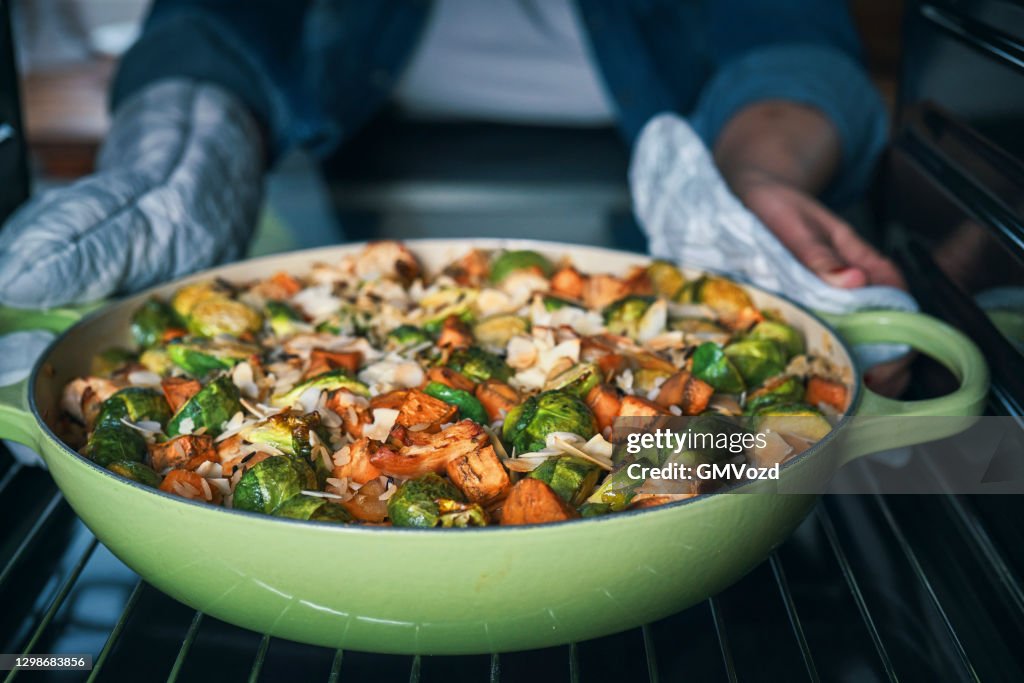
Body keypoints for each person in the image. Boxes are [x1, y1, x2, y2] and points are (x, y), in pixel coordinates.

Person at [0, 0, 904, 309]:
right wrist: (172, 167)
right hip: (350, 173)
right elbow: (214, 21)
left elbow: (791, 41)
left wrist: (752, 183)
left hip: (660, 176)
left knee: (685, 451)